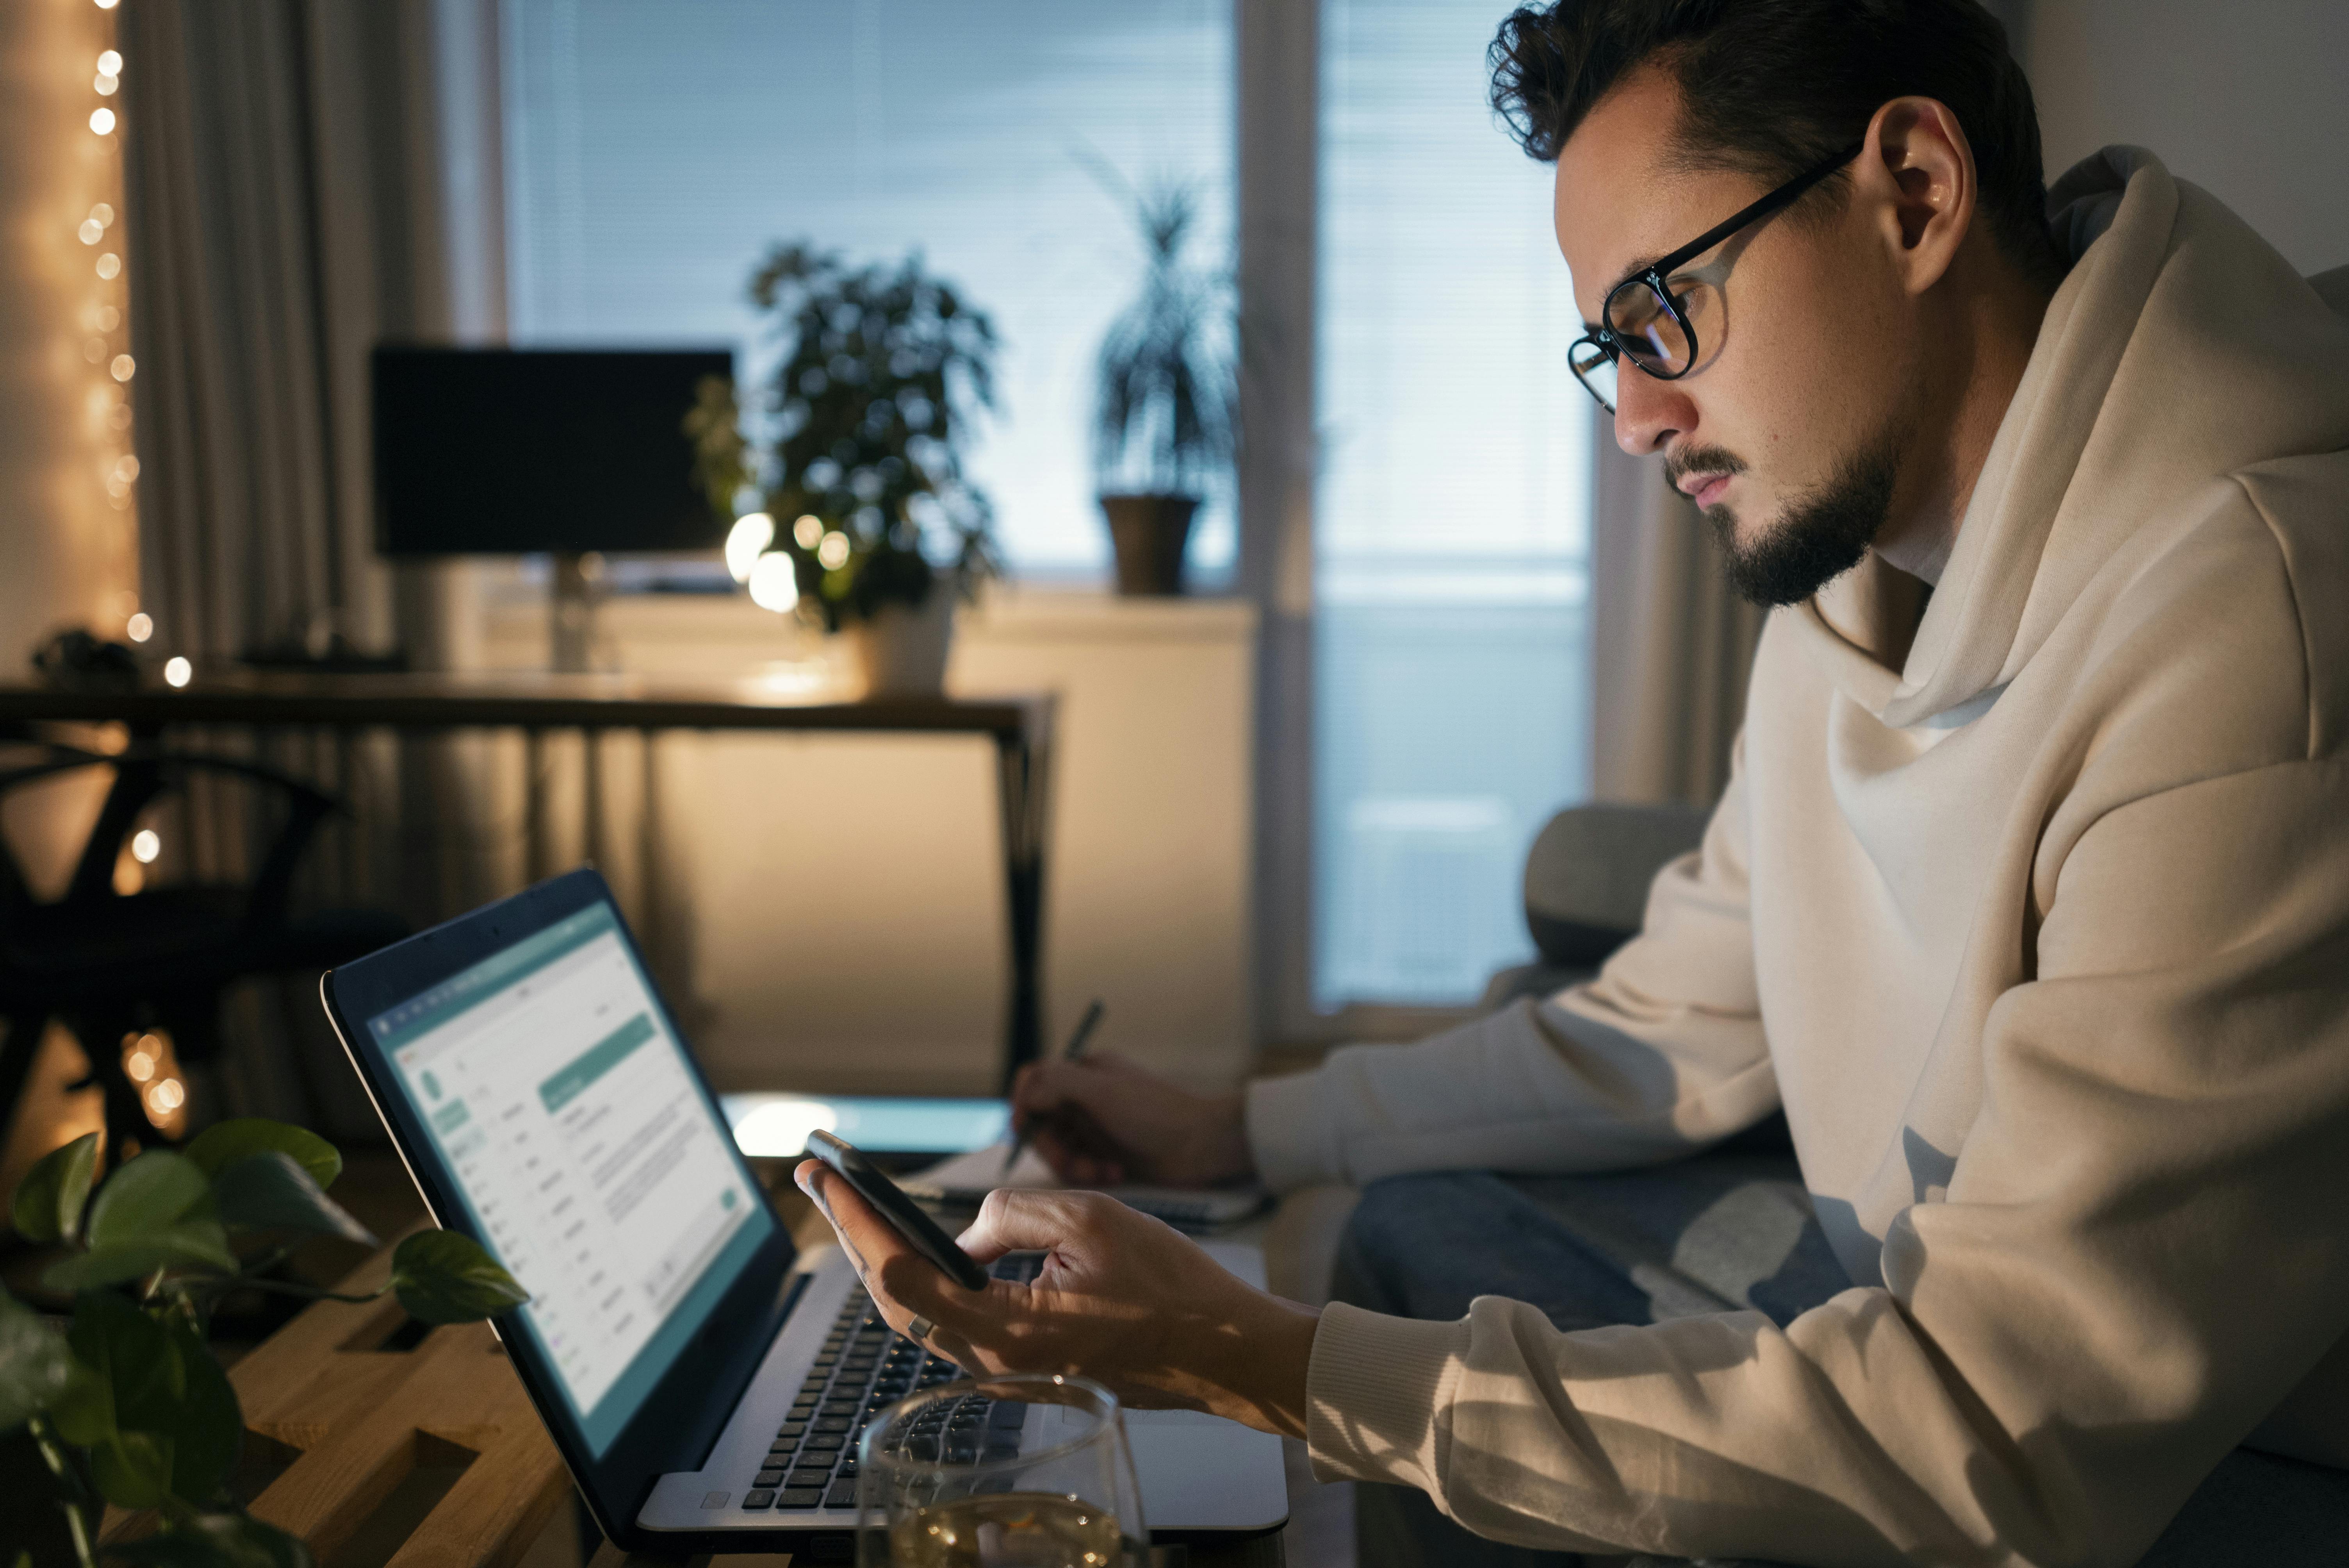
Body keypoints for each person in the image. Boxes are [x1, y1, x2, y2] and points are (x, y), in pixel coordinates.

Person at [796, 0, 2349, 1562]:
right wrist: (1238, 1127)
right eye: (1609, 343)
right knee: (1407, 1231)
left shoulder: (2253, 627)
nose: (1633, 418)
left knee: (1364, 1331)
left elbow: (1994, 1433)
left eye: (1665, 309)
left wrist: (1236, 1353)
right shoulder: (1858, 551)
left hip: (2175, 1463)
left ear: (1914, 197)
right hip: (1908, 1297)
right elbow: (1674, 1014)